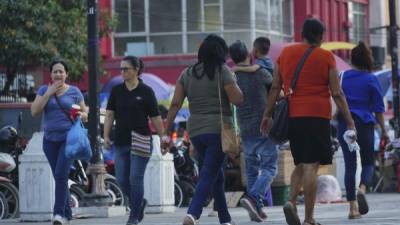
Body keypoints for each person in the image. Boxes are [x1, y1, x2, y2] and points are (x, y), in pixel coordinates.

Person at [260, 18, 355, 225]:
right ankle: (309, 219)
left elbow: (275, 87)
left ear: (302, 34)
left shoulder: (285, 54)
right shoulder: (326, 57)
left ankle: (291, 202)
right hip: (318, 115)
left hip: (295, 115)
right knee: (312, 166)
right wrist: (349, 121)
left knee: (302, 162)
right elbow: (337, 93)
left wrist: (267, 114)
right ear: (321, 36)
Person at [162, 34, 243, 225]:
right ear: (221, 53)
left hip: (196, 131)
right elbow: (238, 99)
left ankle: (225, 218)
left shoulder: (187, 73)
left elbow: (175, 104)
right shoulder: (223, 71)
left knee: (216, 175)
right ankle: (193, 214)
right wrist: (234, 80)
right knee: (209, 173)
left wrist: (166, 131)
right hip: (218, 131)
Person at [103, 56, 165, 225]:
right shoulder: (116, 91)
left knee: (135, 178)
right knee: (122, 180)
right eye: (121, 69)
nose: (122, 72)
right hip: (121, 140)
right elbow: (109, 115)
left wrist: (164, 137)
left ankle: (134, 215)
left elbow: (156, 118)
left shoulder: (146, 91)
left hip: (142, 139)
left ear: (136, 70)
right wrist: (106, 136)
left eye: (126, 69)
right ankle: (140, 203)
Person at [31, 59, 88, 225]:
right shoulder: (43, 90)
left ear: (66, 74)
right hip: (49, 141)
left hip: (68, 139)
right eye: (55, 71)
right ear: (51, 74)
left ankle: (58, 214)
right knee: (59, 177)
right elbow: (34, 111)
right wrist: (48, 93)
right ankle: (67, 215)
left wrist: (80, 114)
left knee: (60, 175)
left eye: (61, 71)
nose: (58, 74)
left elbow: (85, 113)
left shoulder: (75, 92)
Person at [337, 41, 388, 219]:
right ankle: (362, 188)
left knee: (350, 165)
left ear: (352, 59)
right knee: (367, 162)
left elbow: (335, 98)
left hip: (345, 124)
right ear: (368, 60)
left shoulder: (341, 75)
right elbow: (378, 109)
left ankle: (352, 208)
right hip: (365, 124)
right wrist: (383, 131)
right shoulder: (371, 79)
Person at [229, 40, 277, 222]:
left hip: (245, 127)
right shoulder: (261, 73)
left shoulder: (230, 77)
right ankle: (252, 197)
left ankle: (257, 206)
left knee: (251, 169)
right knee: (269, 168)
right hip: (264, 126)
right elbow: (277, 92)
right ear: (248, 54)